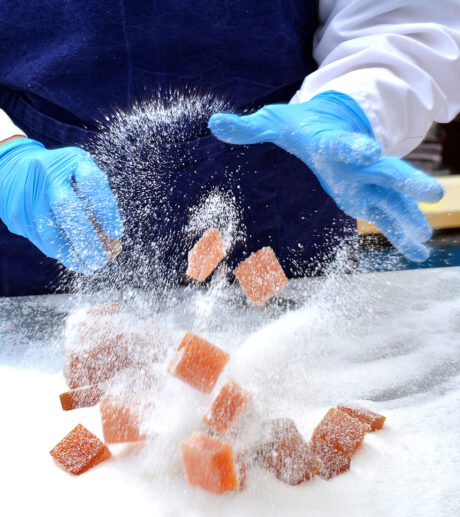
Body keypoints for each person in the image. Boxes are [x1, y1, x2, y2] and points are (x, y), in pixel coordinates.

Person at [0, 0, 459, 296]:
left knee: (291, 391)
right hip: (37, 216)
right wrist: (5, 152)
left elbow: (406, 16)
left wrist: (353, 103)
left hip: (283, 192)